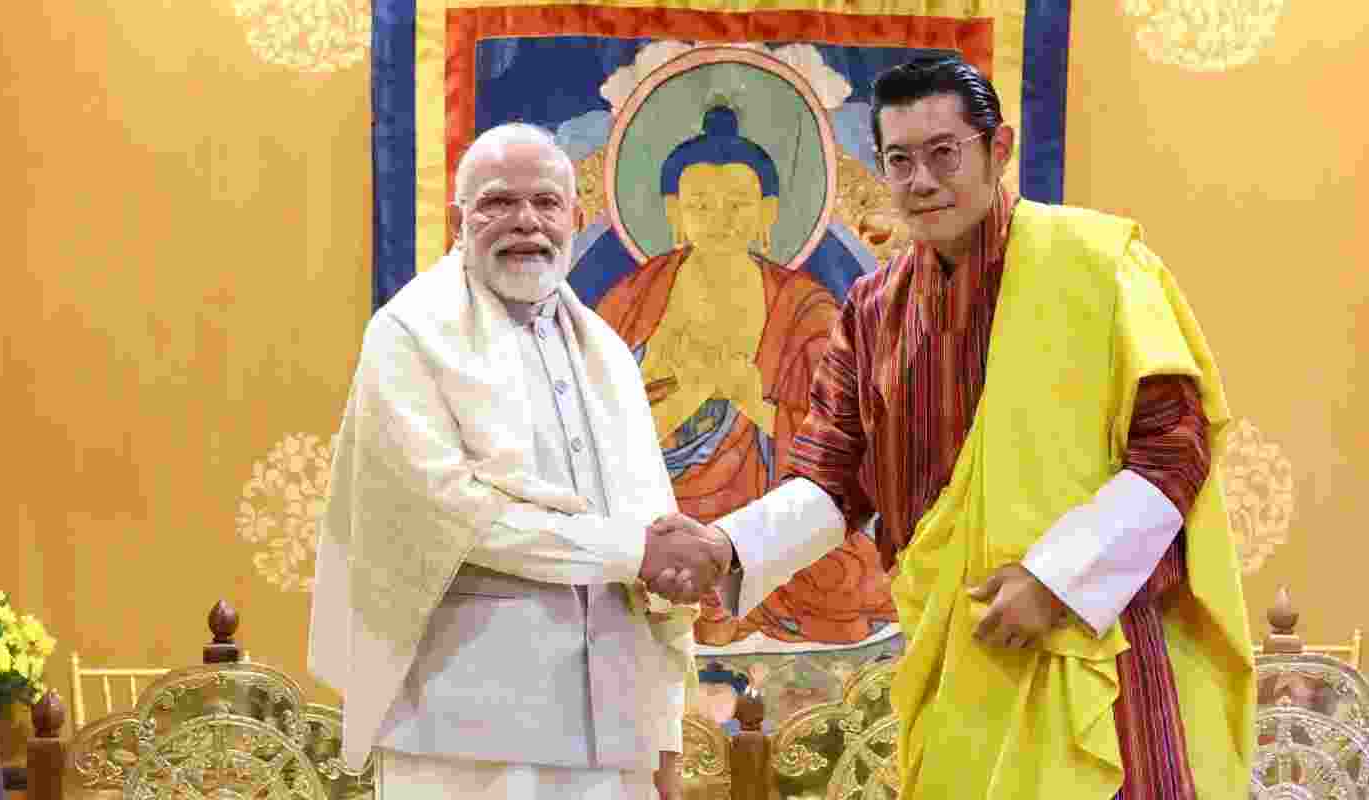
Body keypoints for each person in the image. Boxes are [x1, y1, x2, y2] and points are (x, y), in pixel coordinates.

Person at [648, 56, 1256, 799]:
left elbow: (1174, 448)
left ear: (997, 151)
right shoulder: (874, 311)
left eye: (944, 153)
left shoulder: (1096, 266)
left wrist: (1055, 582)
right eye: (899, 160)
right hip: (960, 645)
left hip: (1095, 648)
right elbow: (833, 478)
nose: (922, 181)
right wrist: (724, 545)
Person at [308, 122, 731, 800]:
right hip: (466, 735)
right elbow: (457, 515)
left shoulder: (608, 354)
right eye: (498, 203)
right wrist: (635, 551)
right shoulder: (409, 337)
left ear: (576, 217)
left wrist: (665, 740)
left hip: (616, 734)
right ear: (461, 219)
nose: (525, 222)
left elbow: (653, 525)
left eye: (546, 203)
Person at [596, 105, 895, 646]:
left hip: (768, 502)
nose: (720, 218)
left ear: (769, 212)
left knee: (850, 577)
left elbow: (840, 445)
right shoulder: (633, 299)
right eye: (701, 205)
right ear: (673, 211)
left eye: (738, 204)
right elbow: (594, 426)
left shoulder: (806, 306)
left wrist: (751, 401)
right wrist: (688, 397)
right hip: (656, 499)